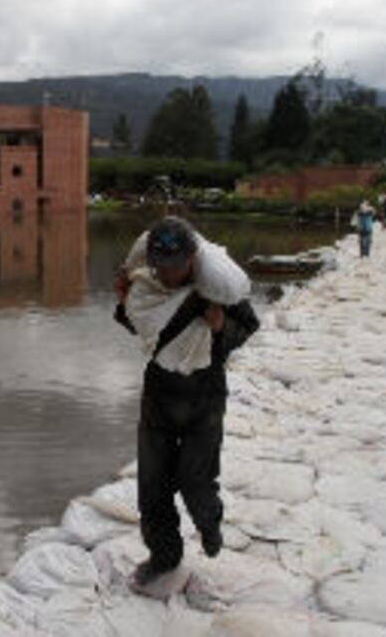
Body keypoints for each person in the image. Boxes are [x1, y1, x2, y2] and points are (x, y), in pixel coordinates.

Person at [113, 216, 260, 592]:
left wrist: (218, 328)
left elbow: (248, 327)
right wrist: (126, 302)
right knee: (152, 484)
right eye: (160, 267)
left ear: (193, 261)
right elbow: (142, 328)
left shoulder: (218, 291)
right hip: (159, 393)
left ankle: (209, 526)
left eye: (175, 268)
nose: (166, 276)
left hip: (204, 394)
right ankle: (164, 557)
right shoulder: (147, 285)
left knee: (195, 480)